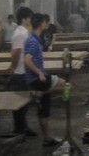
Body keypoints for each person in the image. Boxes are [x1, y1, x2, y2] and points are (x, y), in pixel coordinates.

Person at [24, 13, 66, 147]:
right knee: (67, 86)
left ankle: (47, 138)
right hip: (37, 79)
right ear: (40, 24)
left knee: (44, 111)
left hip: (36, 78)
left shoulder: (35, 38)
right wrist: (39, 73)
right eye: (45, 22)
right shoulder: (32, 40)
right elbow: (27, 60)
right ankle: (44, 93)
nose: (47, 24)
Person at [9, 7, 36, 137]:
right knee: (20, 101)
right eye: (29, 17)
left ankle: (22, 126)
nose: (31, 20)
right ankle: (19, 128)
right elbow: (16, 52)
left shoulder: (25, 32)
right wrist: (13, 66)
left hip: (26, 70)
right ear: (24, 19)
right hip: (21, 72)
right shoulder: (20, 33)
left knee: (26, 100)